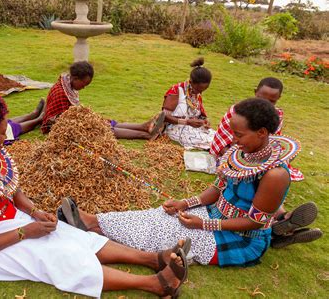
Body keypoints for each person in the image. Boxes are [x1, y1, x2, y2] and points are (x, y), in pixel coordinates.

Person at [0, 88, 189, 298]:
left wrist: (34, 211)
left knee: (72, 235)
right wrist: (25, 232)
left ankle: (152, 259)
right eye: (2, 132)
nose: (7, 135)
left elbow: (12, 188)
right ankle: (155, 285)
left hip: (10, 223)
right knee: (59, 256)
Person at [60, 98, 318, 267]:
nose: (234, 140)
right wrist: (185, 202)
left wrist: (202, 223)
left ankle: (94, 229)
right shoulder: (240, 153)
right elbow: (217, 189)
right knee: (158, 215)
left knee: (167, 232)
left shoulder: (275, 174)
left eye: (239, 134)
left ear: (262, 133)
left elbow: (255, 222)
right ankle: (95, 221)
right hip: (214, 215)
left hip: (239, 237)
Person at [209, 77, 321, 247]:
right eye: (262, 99)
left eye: (272, 101)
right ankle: (281, 227)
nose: (267, 104)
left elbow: (270, 143)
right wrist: (234, 163)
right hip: (236, 158)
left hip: (259, 165)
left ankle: (279, 224)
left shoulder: (275, 172)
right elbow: (222, 142)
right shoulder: (238, 115)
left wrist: (204, 224)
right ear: (255, 92)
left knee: (266, 186)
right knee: (257, 188)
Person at [41, 61, 166, 140]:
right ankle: (145, 135)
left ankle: (144, 126)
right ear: (75, 78)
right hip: (58, 128)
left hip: (71, 121)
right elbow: (59, 120)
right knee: (101, 128)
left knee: (103, 122)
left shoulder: (68, 84)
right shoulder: (60, 92)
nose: (84, 87)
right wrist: (84, 121)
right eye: (84, 84)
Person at [162, 57, 215, 150]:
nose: (200, 92)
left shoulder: (197, 94)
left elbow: (200, 115)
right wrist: (187, 122)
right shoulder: (177, 90)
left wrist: (205, 121)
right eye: (198, 89)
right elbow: (164, 116)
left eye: (203, 90)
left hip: (191, 128)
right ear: (191, 82)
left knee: (217, 137)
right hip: (174, 129)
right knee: (209, 142)